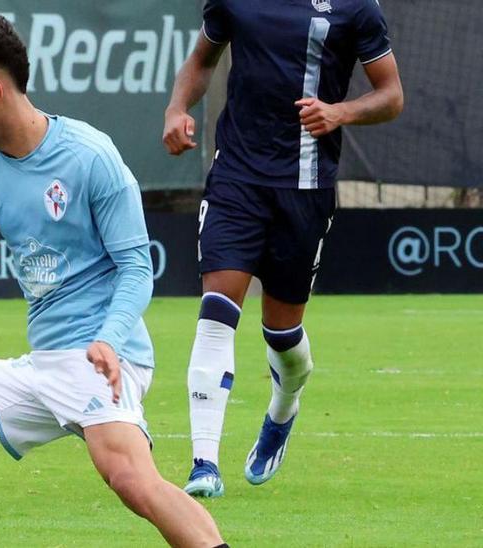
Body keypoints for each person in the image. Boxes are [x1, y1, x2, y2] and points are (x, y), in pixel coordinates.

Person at [0, 16, 225, 548]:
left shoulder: (91, 157)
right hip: (46, 364)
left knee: (132, 480)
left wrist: (108, 340)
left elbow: (137, 268)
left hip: (102, 356)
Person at [163, 0, 403, 497]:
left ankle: (283, 408)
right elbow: (202, 59)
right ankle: (204, 462)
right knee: (216, 312)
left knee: (282, 333)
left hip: (305, 187)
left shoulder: (356, 7)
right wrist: (176, 107)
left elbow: (391, 95)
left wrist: (340, 112)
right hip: (236, 179)